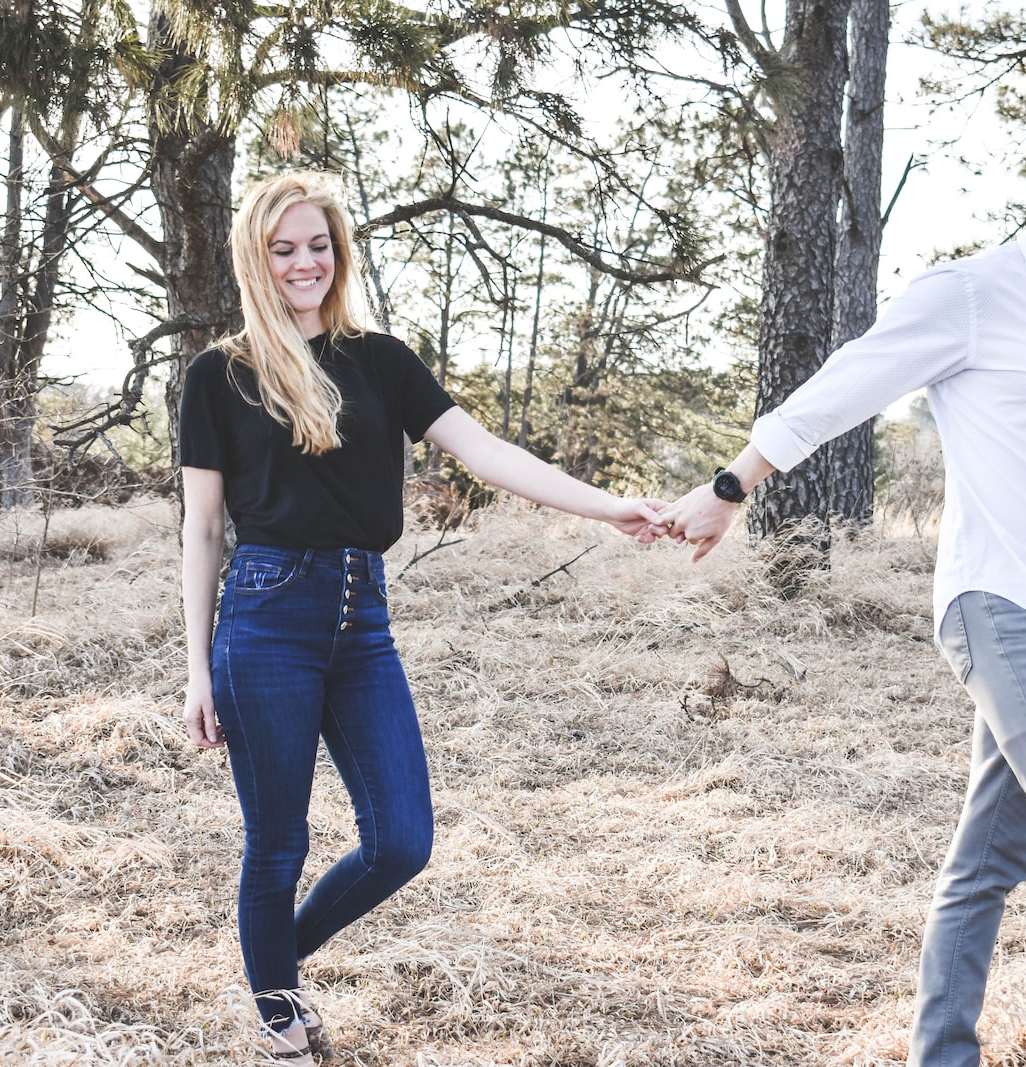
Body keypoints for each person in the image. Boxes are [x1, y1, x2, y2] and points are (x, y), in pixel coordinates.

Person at [659, 119, 1026, 1067]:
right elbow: (843, 387)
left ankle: (938, 1052)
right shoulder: (973, 294)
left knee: (990, 859)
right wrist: (731, 485)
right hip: (994, 601)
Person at [179, 172, 665, 1061]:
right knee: (278, 838)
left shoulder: (380, 360)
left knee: (402, 838)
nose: (305, 262)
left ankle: (274, 955)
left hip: (364, 619)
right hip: (263, 618)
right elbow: (203, 528)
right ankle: (281, 1011)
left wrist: (606, 505)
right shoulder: (219, 375)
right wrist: (195, 669)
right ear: (257, 255)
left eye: (318, 244)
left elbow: (485, 451)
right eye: (285, 247)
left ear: (339, 250)